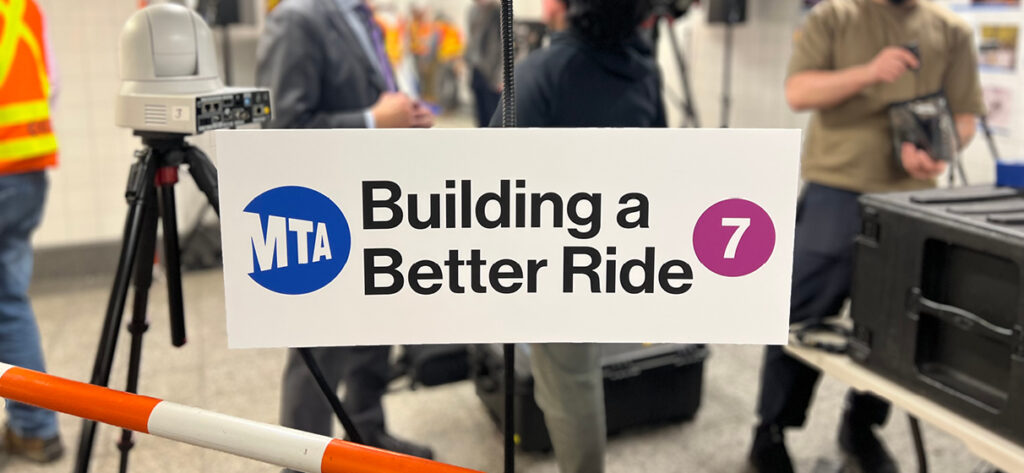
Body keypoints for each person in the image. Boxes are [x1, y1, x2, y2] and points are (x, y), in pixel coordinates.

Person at [749, 1, 984, 472]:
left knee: (897, 328)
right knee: (800, 317)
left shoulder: (951, 30)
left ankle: (862, 425)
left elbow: (965, 116)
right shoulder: (834, 17)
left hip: (912, 201)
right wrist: (869, 73)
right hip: (837, 188)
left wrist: (941, 152)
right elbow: (799, 91)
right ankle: (771, 430)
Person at [256, 0, 434, 465]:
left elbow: (374, 99)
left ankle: (367, 433)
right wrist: (374, 122)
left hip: (374, 204)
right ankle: (300, 458)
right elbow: (279, 129)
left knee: (375, 331)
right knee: (319, 351)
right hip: (322, 211)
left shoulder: (364, 19)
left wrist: (405, 120)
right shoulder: (295, 20)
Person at [491, 1, 662, 472]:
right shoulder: (645, 70)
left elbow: (488, 182)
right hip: (619, 249)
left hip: (554, 265)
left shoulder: (540, 74)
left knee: (571, 384)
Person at [0, 0, 64, 465]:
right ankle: (36, 429)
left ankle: (34, 426)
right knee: (9, 302)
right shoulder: (23, 8)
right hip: (25, 169)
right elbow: (52, 83)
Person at [466, 0, 502, 126]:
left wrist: (500, 75)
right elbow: (472, 39)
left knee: (492, 114)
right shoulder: (473, 11)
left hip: (492, 72)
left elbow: (505, 45)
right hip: (477, 69)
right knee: (480, 115)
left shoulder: (499, 11)